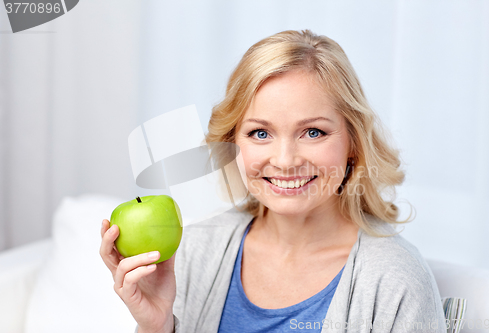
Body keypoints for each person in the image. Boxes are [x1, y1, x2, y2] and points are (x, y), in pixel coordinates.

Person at [100, 29, 447, 333]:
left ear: (353, 142)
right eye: (260, 132)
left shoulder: (396, 280)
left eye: (313, 132)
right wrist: (158, 327)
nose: (285, 161)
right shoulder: (198, 248)